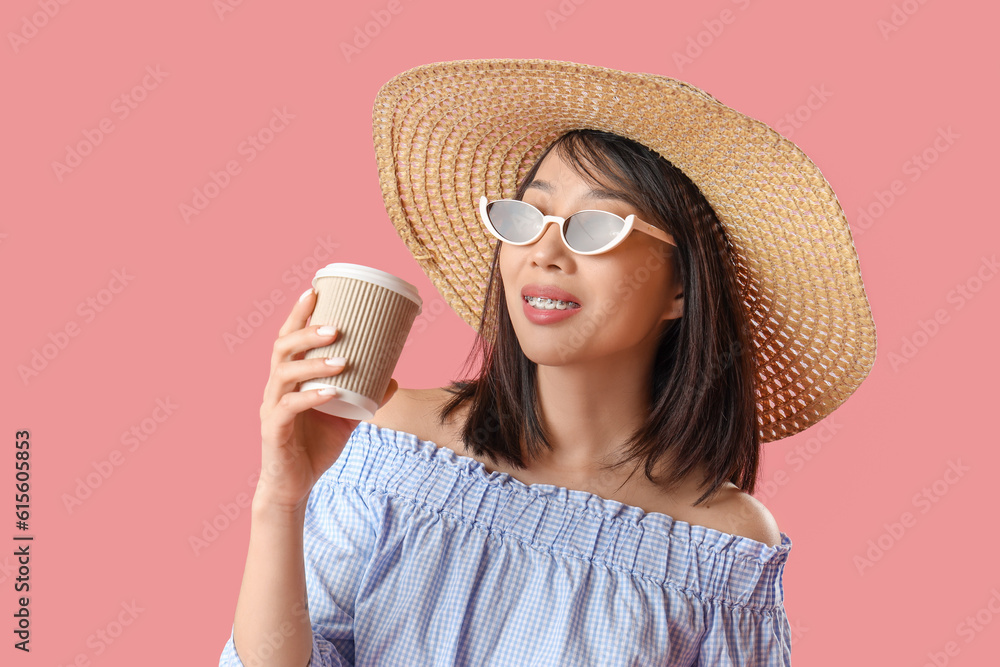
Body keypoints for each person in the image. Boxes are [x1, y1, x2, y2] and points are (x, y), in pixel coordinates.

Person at [218, 59, 876, 666]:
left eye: (595, 228)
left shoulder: (720, 545)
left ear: (681, 287)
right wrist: (282, 495)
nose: (544, 251)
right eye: (528, 216)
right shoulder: (393, 444)